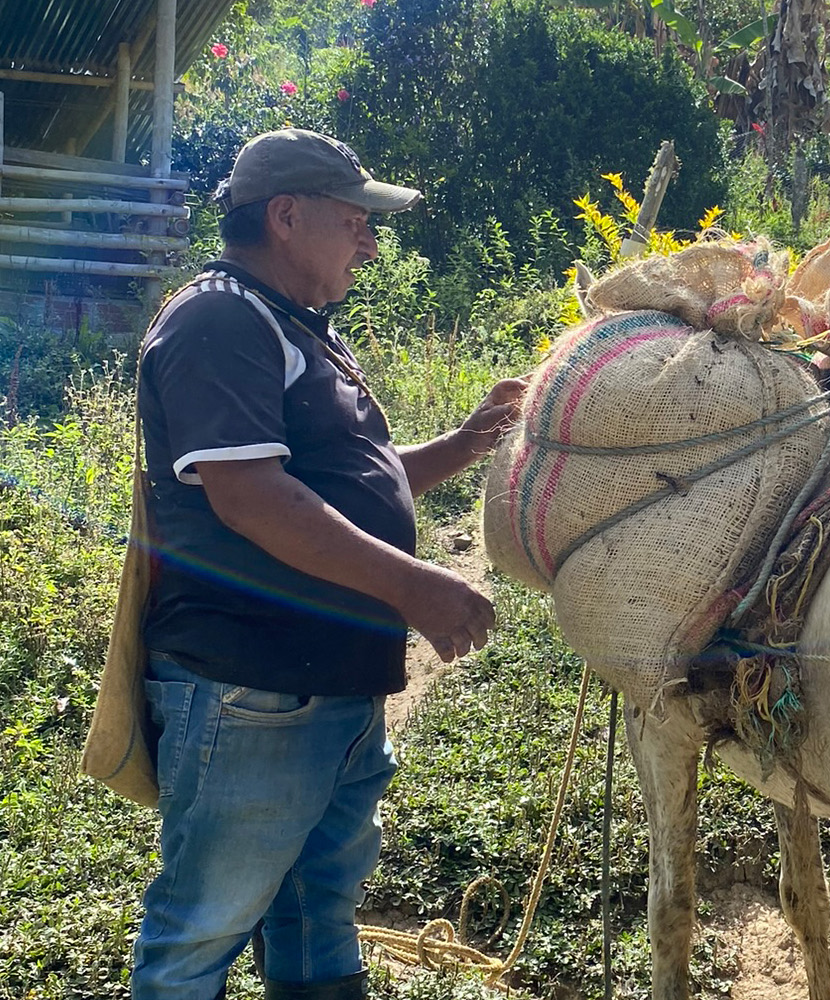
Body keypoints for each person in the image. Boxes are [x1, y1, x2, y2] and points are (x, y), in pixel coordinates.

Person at [132, 128, 525, 1000]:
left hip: (330, 686)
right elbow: (252, 497)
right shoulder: (219, 320)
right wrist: (415, 586)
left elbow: (352, 481)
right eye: (355, 223)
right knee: (203, 928)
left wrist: (464, 444)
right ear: (285, 216)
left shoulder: (295, 326)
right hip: (253, 688)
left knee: (317, 908)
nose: (370, 244)